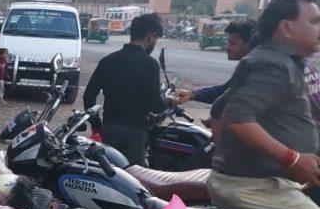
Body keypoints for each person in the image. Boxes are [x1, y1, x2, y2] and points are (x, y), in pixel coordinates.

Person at [208, 0, 320, 209]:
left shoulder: (279, 60)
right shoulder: (273, 64)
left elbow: (220, 108)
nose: (319, 28)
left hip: (261, 183)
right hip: (253, 187)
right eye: (315, 21)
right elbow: (238, 118)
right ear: (286, 28)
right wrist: (293, 159)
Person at [83, 13, 168, 166]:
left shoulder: (108, 61)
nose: (154, 43)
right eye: (156, 39)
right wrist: (170, 101)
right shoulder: (150, 64)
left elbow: (88, 96)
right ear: (151, 37)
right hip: (135, 133)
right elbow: (156, 105)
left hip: (108, 129)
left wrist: (96, 126)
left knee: (109, 173)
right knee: (133, 178)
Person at [174, 20, 257, 104]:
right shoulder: (246, 67)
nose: (227, 47)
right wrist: (192, 94)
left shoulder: (256, 73)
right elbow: (223, 91)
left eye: (233, 44)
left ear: (249, 44)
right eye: (228, 42)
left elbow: (229, 99)